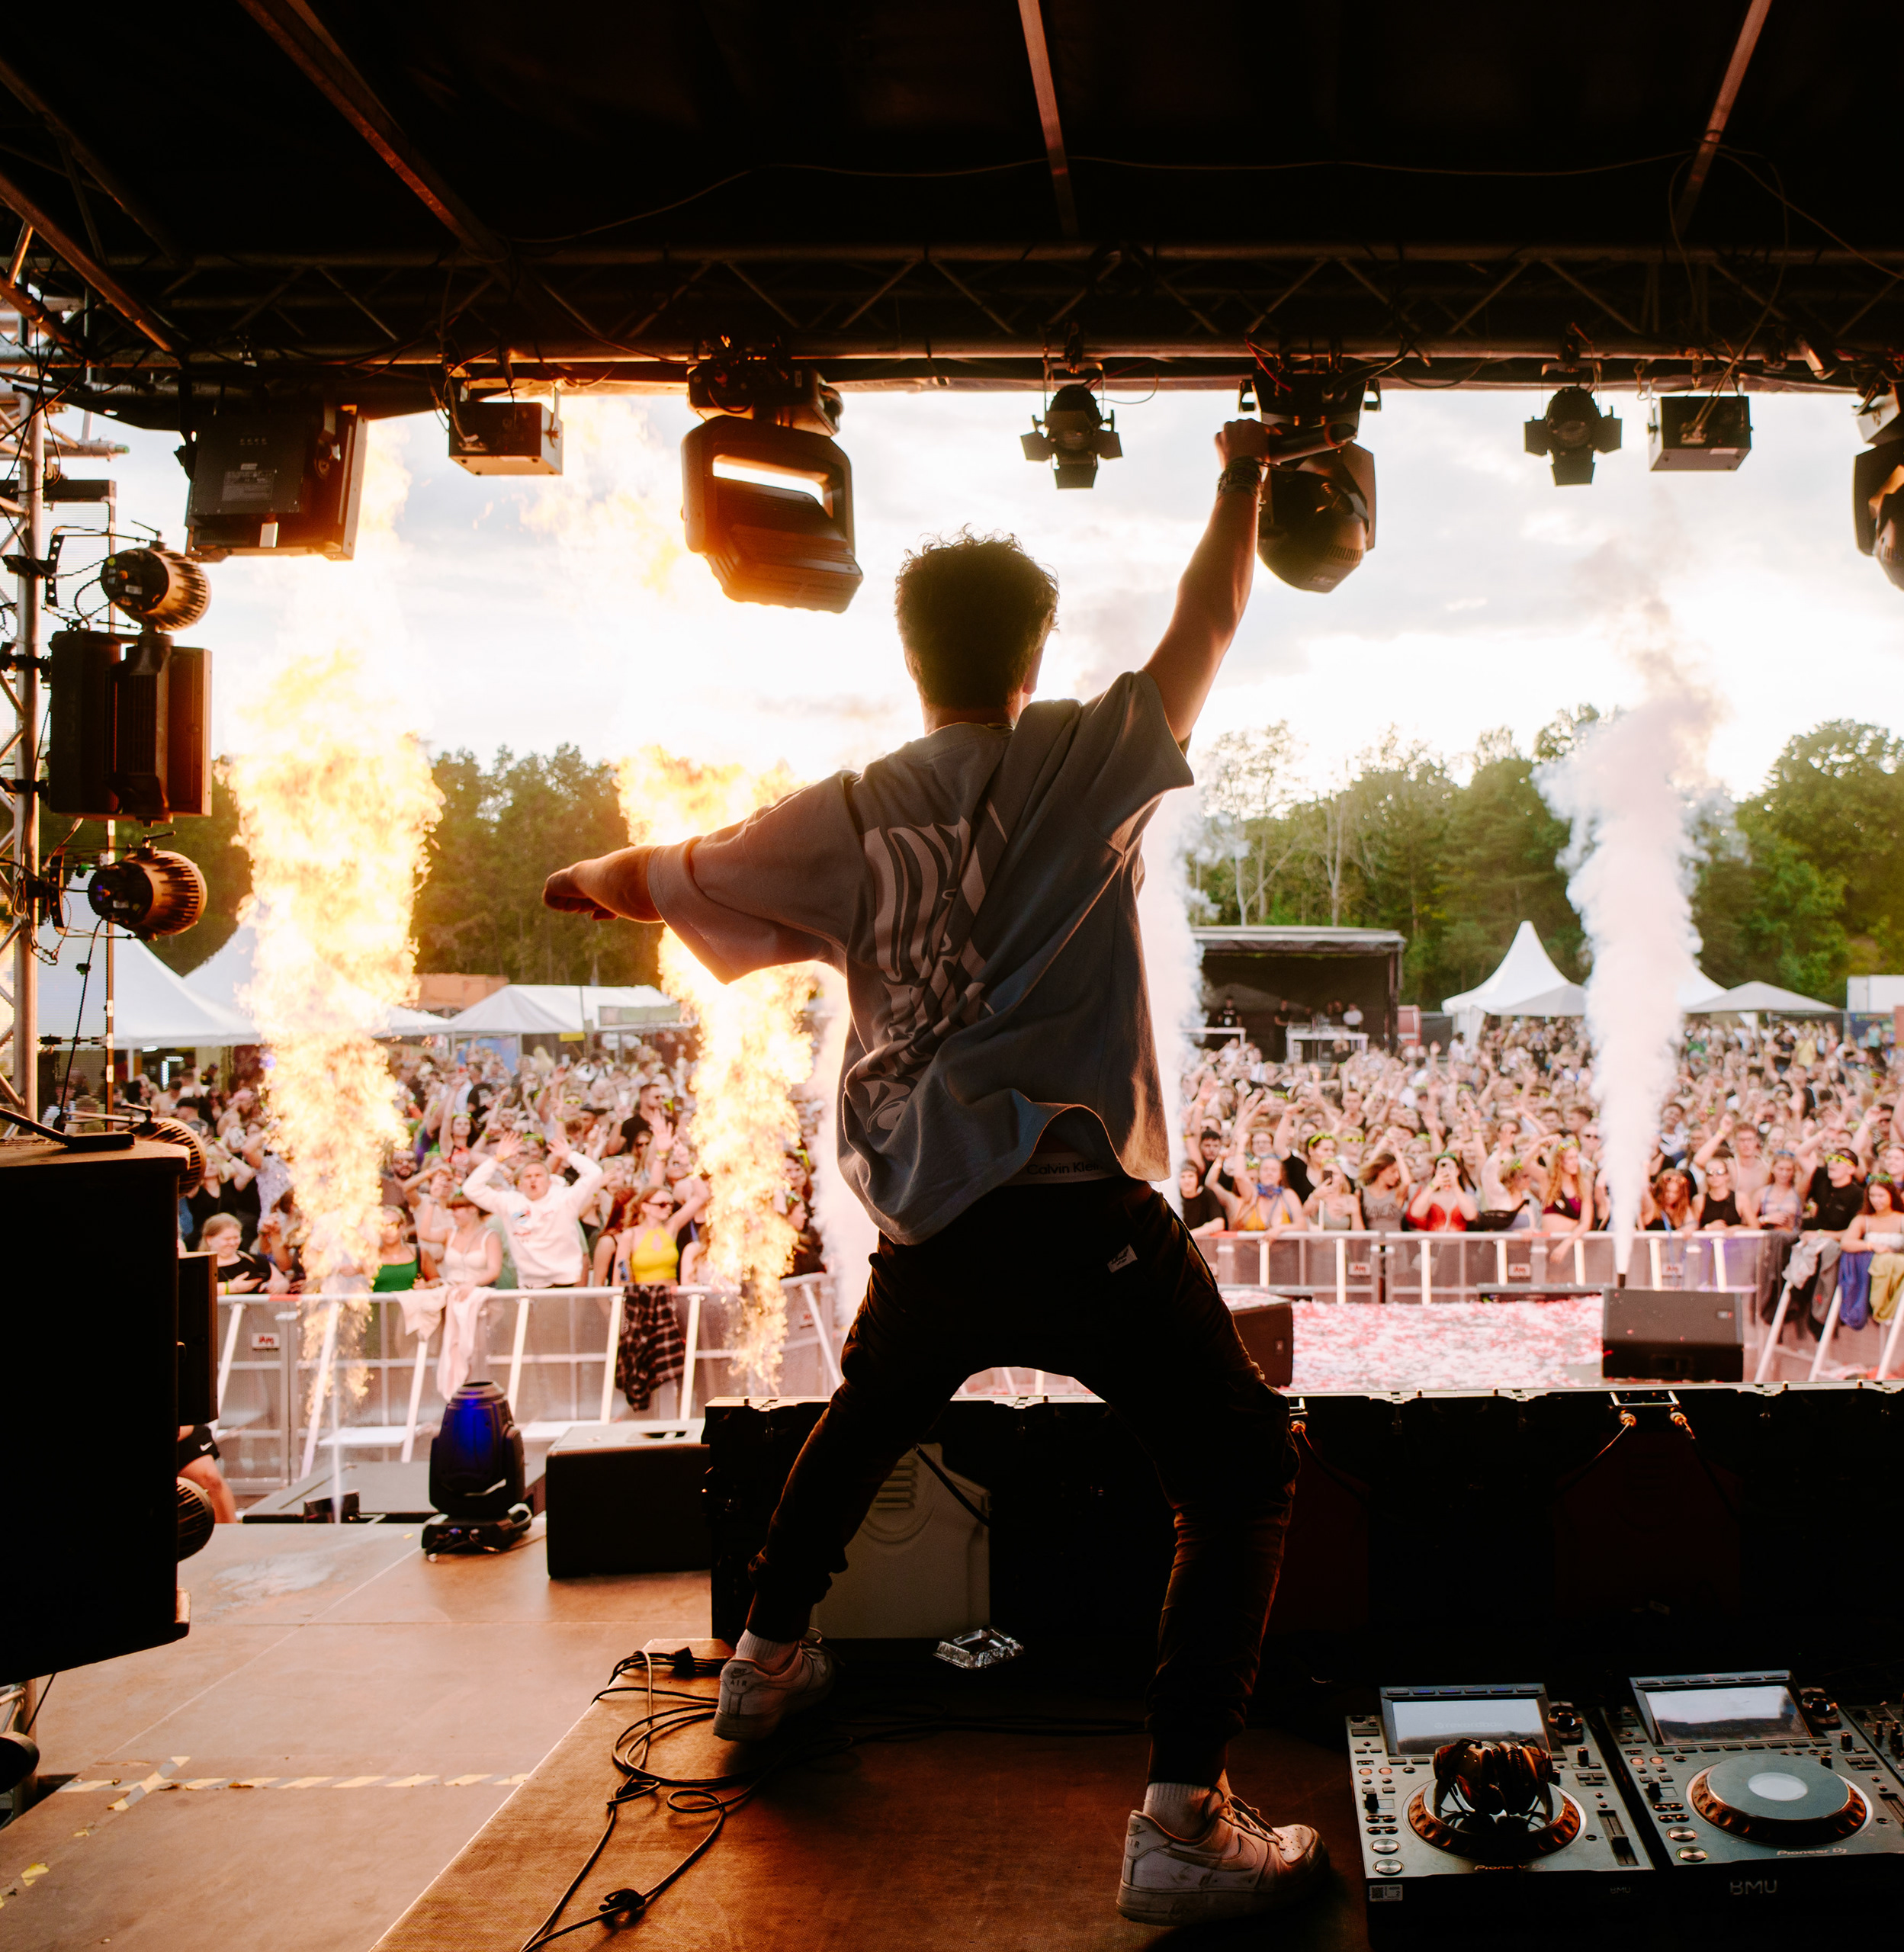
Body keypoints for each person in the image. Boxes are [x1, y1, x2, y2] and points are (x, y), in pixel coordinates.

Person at [539, 426, 1324, 1925]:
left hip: (933, 1224)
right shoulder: (1092, 755)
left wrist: (588, 877)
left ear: (910, 657)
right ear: (1033, 652)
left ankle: (763, 1665)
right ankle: (1179, 1818)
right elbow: (1210, 617)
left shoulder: (842, 810)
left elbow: (669, 869)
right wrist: (1236, 475)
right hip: (1085, 1217)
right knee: (1239, 1476)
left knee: (863, 1425)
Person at [462, 1135, 604, 1290]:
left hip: (565, 1281)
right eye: (528, 1176)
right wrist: (496, 1160)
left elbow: (595, 1173)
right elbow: (470, 1188)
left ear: (549, 1182)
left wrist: (569, 1155)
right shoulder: (509, 1202)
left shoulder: (565, 1198)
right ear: (520, 1184)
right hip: (530, 1285)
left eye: (538, 1175)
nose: (533, 1180)